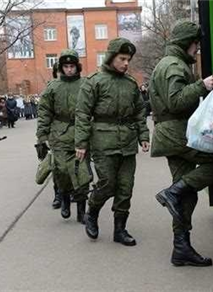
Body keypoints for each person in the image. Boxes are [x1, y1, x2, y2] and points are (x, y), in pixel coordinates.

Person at [149, 21, 213, 267]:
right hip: (177, 132)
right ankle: (171, 193)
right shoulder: (174, 66)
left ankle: (181, 248)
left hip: (171, 133)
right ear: (187, 43)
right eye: (195, 44)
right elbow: (175, 102)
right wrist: (201, 85)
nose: (197, 49)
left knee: (186, 194)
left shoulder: (172, 63)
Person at [75, 37, 150, 246]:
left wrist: (143, 135)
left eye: (129, 59)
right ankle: (92, 212)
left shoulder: (130, 84)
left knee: (126, 187)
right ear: (111, 58)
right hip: (102, 140)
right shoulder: (94, 81)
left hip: (127, 141)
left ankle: (120, 229)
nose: (126, 63)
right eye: (122, 58)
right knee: (107, 184)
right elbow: (82, 114)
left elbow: (139, 112)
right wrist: (81, 143)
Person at [36, 49, 90, 223]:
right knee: (61, 173)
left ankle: (82, 211)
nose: (69, 69)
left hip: (80, 133)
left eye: (72, 66)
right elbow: (44, 112)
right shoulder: (53, 87)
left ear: (77, 67)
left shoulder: (86, 85)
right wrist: (42, 137)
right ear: (61, 67)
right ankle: (65, 201)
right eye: (65, 66)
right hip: (58, 135)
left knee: (82, 174)